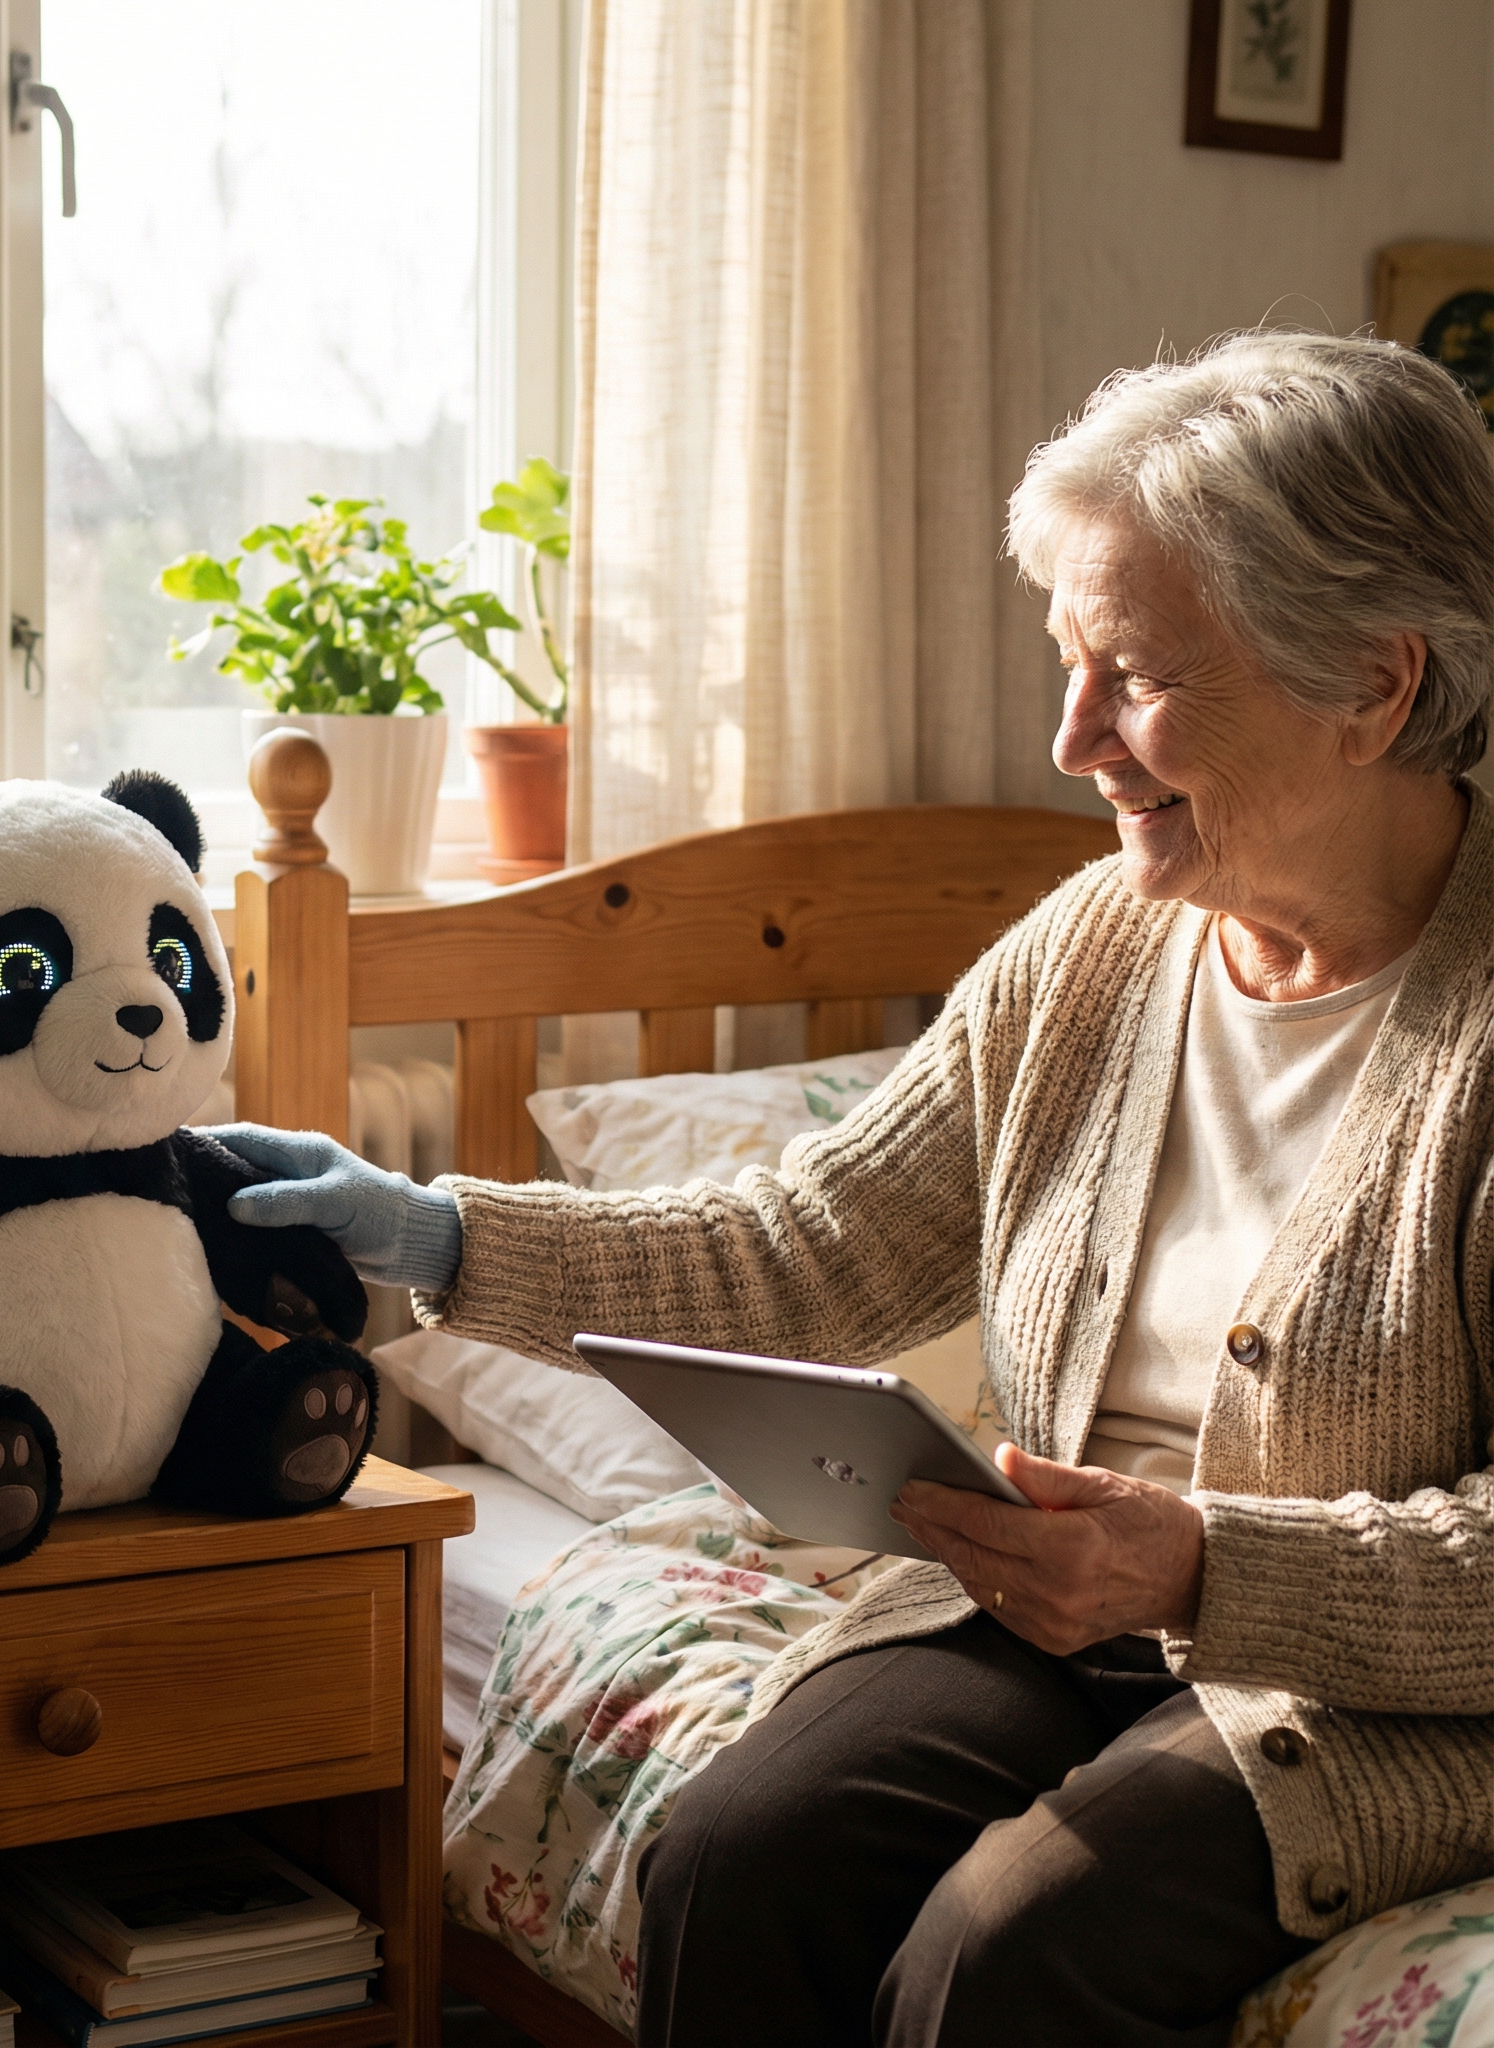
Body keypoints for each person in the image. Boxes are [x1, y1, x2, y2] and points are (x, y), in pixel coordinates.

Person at [211, 331, 1494, 2047]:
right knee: (736, 1856)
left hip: (1373, 1687)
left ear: (1377, 686)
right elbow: (806, 1247)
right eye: (1069, 665)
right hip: (1050, 1607)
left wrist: (1193, 1567)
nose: (1071, 740)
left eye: (1138, 675)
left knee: (1004, 1952)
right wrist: (437, 1231)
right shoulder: (1094, 950)